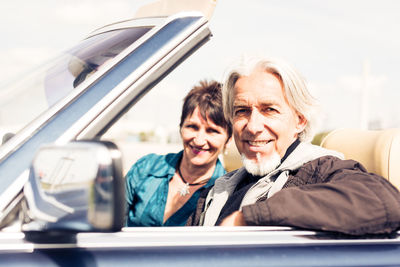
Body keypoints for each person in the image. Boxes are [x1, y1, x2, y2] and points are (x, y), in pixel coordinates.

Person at [187, 57, 400, 235]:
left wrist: (251, 218)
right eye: (242, 111)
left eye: (269, 109)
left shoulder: (319, 171)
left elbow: (385, 202)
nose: (252, 126)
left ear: (299, 120)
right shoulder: (219, 189)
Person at [125, 80, 232, 226]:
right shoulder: (146, 168)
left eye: (212, 131)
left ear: (228, 139)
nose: (199, 141)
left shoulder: (226, 195)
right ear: (180, 127)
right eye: (192, 127)